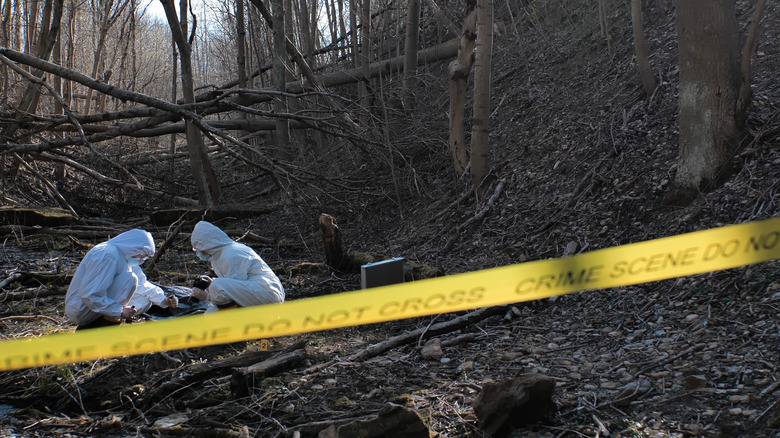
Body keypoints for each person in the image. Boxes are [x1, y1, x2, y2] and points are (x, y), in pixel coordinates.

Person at [65, 229, 177, 330]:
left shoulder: (122, 257)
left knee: (144, 300)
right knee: (130, 280)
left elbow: (142, 284)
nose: (141, 259)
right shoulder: (108, 255)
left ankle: (104, 323)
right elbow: (90, 294)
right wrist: (119, 311)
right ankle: (98, 330)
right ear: (133, 247)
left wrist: (164, 299)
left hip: (91, 306)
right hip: (80, 308)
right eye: (141, 255)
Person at [190, 221, 285, 309]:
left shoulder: (230, 253)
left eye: (199, 249)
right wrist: (210, 282)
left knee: (217, 286)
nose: (200, 252)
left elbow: (232, 292)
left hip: (267, 292)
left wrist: (207, 296)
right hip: (259, 292)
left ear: (207, 245)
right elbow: (235, 285)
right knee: (210, 314)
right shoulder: (220, 255)